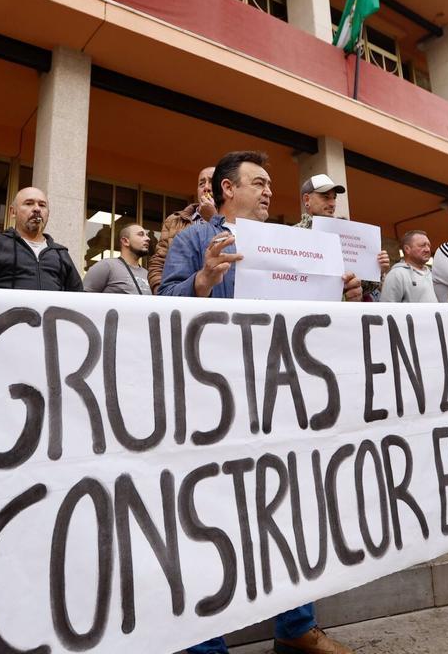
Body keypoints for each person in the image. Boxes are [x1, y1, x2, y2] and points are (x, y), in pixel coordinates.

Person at [159, 150, 357, 654]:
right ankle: (205, 645)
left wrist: (348, 297)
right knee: (209, 517)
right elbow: (160, 309)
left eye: (270, 184)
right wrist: (202, 280)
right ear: (227, 188)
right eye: (259, 182)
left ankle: (296, 626)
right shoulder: (193, 241)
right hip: (214, 400)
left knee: (288, 509)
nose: (269, 191)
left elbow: (318, 317)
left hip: (281, 395)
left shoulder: (294, 244)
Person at [0, 187, 82, 291]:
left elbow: (78, 298)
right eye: (29, 203)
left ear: (48, 213)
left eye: (42, 205)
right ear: (13, 212)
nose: (37, 209)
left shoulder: (61, 254)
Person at [294, 172, 390, 298]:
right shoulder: (293, 235)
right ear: (307, 199)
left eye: (334, 198)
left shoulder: (344, 234)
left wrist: (377, 270)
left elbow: (362, 288)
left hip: (339, 309)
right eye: (325, 197)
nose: (332, 203)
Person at [148, 166, 215, 293]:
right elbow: (159, 261)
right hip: (179, 296)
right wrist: (161, 292)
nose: (206, 187)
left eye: (212, 182)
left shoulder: (231, 220)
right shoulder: (174, 220)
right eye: (201, 184)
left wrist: (213, 218)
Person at [82, 223, 152, 294]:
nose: (148, 238)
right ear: (125, 241)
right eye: (141, 234)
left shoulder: (147, 274)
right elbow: (83, 298)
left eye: (147, 235)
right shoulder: (106, 266)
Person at [380, 230, 437, 303]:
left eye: (429, 246)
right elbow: (388, 307)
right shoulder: (396, 274)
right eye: (422, 245)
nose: (428, 249)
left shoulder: (434, 275)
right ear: (407, 249)